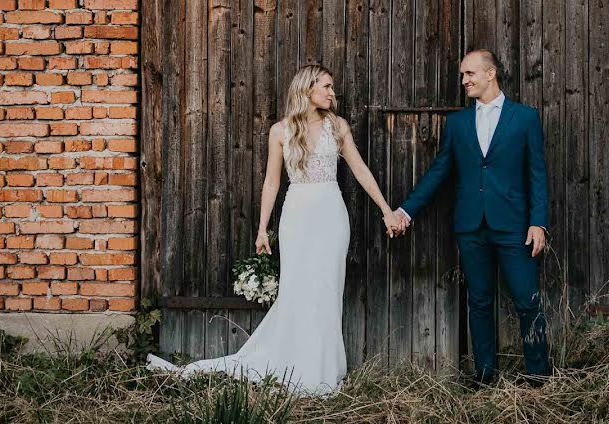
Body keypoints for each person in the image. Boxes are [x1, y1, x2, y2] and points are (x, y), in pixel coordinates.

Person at [146, 64, 401, 396]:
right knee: (297, 292)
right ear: (307, 89)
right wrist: (262, 229)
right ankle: (293, 364)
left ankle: (322, 371)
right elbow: (271, 181)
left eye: (332, 87)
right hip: (297, 216)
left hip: (331, 215)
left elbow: (360, 169)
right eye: (326, 86)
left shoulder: (337, 127)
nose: (332, 93)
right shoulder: (280, 131)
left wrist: (386, 209)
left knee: (327, 291)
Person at [393, 49, 551, 386]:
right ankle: (484, 377)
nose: (464, 80)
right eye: (463, 75)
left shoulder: (525, 118)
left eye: (470, 74)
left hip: (514, 227)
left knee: (526, 299)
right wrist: (406, 210)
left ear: (490, 73)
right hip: (471, 227)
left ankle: (538, 376)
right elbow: (438, 173)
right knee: (478, 302)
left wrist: (538, 222)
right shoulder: (458, 123)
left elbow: (537, 174)